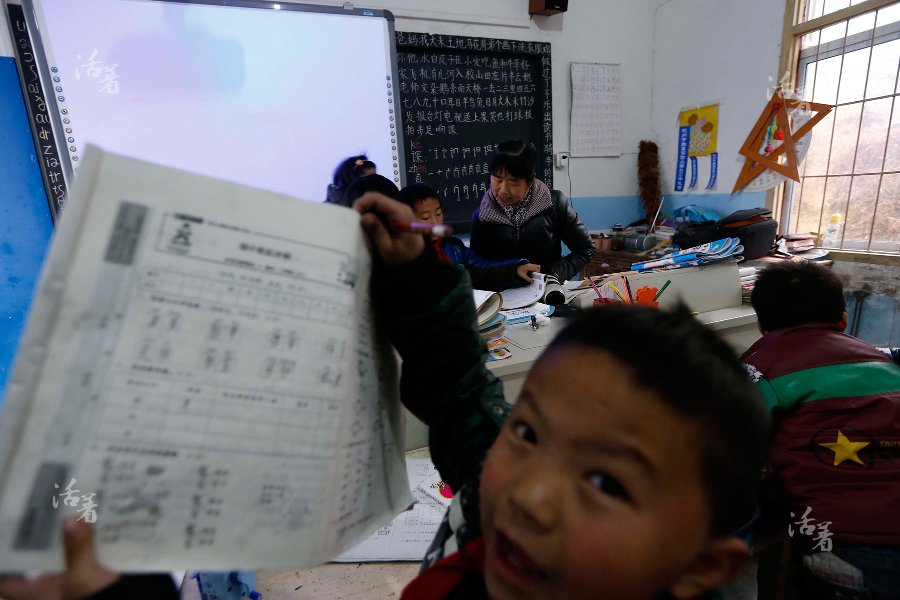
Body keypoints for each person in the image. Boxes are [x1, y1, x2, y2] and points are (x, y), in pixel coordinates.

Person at [8, 192, 771, 600]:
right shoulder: (502, 505)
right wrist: (416, 277)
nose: (530, 494)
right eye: (530, 434)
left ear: (701, 567)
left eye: (607, 482)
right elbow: (463, 393)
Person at [742, 261, 900, 600]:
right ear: (843, 319)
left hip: (837, 538)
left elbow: (733, 449)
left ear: (760, 325)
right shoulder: (882, 362)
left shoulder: (758, 370)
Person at [469, 139, 594, 283]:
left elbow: (585, 248)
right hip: (505, 299)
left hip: (548, 293)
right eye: (497, 180)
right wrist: (511, 272)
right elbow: (475, 268)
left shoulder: (553, 203)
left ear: (530, 181)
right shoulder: (482, 216)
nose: (503, 190)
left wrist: (554, 276)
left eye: (513, 183)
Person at [399, 182, 540, 291]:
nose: (435, 223)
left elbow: (482, 269)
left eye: (438, 213)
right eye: (425, 217)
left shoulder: (454, 247)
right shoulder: (400, 256)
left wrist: (515, 268)